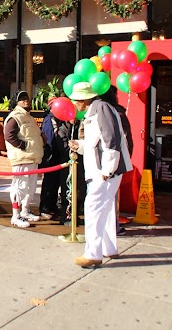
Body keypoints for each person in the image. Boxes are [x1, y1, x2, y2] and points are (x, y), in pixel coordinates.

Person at [68, 82, 132, 268]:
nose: (75, 103)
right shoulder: (99, 110)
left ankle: (93, 253)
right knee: (105, 209)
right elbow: (99, 142)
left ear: (84, 99)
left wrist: (107, 169)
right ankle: (108, 248)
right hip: (104, 170)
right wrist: (79, 146)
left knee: (93, 208)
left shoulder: (101, 110)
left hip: (103, 172)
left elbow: (111, 140)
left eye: (77, 99)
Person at [3, 91, 45, 228]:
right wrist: (24, 146)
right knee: (19, 187)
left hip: (33, 158)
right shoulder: (15, 117)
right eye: (22, 99)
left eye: (26, 98)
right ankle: (16, 215)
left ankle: (25, 211)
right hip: (21, 158)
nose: (25, 101)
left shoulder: (30, 118)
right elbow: (9, 135)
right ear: (16, 102)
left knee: (31, 187)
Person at [100, 85, 134, 236]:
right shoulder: (115, 112)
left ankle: (112, 227)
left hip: (109, 164)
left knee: (109, 197)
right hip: (110, 163)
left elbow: (115, 141)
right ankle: (110, 227)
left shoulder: (112, 113)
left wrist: (111, 166)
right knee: (109, 197)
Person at [39, 95, 71, 221]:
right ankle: (45, 208)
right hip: (51, 156)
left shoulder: (61, 120)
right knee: (49, 183)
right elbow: (49, 139)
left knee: (56, 183)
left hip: (60, 157)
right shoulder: (49, 120)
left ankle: (52, 206)